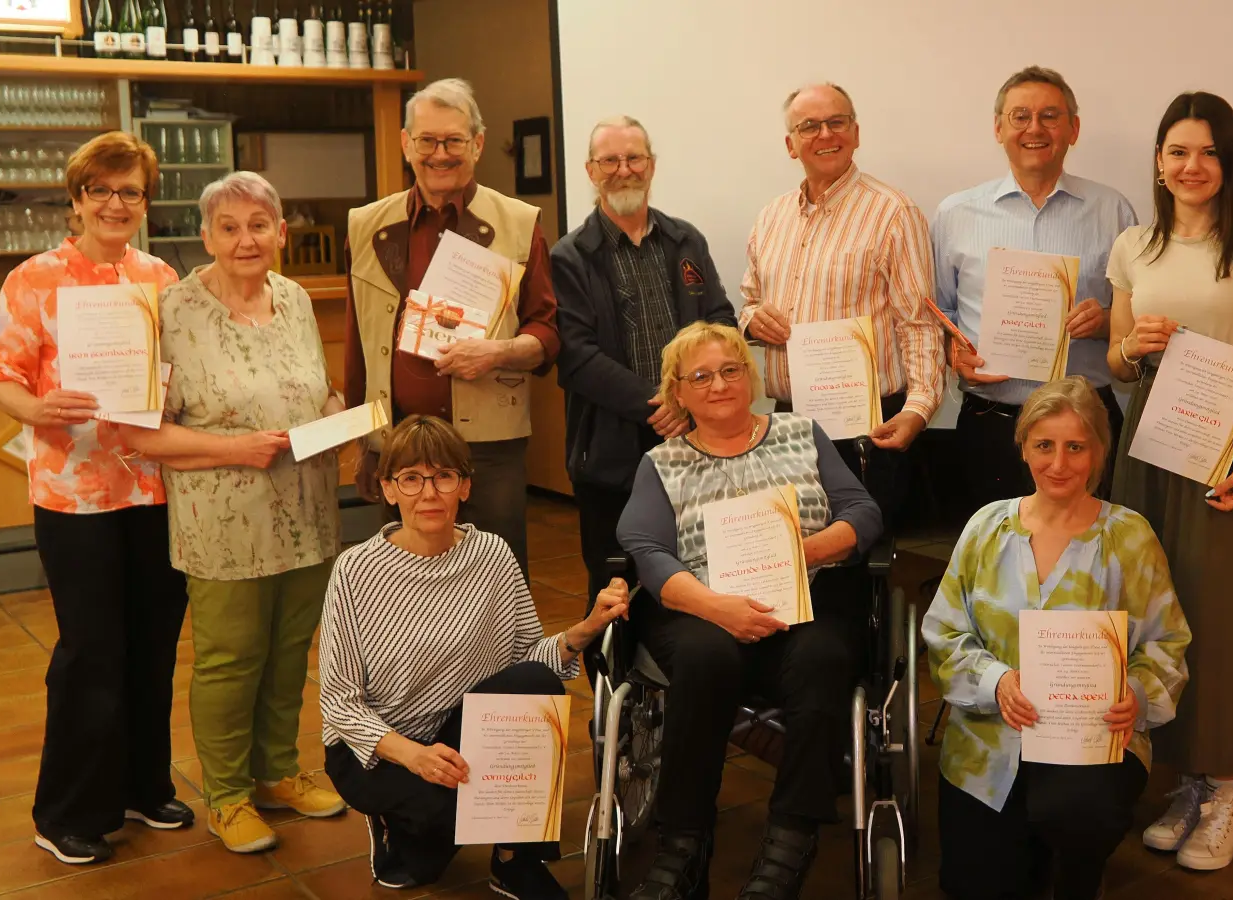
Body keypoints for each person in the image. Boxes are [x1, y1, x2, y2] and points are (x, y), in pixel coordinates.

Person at [0, 132, 194, 865]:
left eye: (130, 191)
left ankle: (142, 784)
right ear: (76, 199)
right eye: (101, 189)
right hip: (74, 496)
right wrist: (37, 408)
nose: (115, 203)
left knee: (154, 643)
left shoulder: (160, 275)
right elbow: (0, 374)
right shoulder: (34, 279)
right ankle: (66, 811)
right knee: (91, 651)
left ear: (145, 202)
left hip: (153, 485)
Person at [1105, 91, 1233, 871]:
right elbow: (1119, 362)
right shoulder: (1134, 245)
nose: (1193, 166)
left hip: (1231, 444)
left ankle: (1227, 791)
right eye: (1178, 151)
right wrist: (1134, 345)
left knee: (1224, 613)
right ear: (1159, 162)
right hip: (1151, 443)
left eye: (1210, 152)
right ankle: (1187, 780)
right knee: (1157, 607)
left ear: (1231, 161)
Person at [120, 172, 348, 853]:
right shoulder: (170, 310)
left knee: (289, 653)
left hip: (308, 514)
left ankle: (276, 773)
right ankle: (227, 797)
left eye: (258, 225)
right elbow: (141, 435)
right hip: (222, 525)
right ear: (206, 237)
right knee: (230, 659)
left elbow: (317, 390)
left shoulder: (297, 298)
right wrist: (235, 449)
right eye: (229, 227)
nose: (245, 239)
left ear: (281, 233)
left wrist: (339, 415)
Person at [616, 322, 883, 900]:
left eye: (730, 370)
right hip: (701, 609)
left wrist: (805, 550)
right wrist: (718, 607)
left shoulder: (801, 432)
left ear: (750, 375)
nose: (718, 385)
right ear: (678, 392)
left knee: (822, 658)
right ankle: (682, 847)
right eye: (700, 376)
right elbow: (647, 551)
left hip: (804, 598)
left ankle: (789, 844)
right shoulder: (662, 462)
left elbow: (862, 512)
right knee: (704, 657)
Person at [319, 414, 628, 897]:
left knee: (536, 685)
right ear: (388, 489)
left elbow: (528, 657)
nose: (429, 493)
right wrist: (415, 756)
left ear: (464, 486)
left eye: (444, 476)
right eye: (411, 478)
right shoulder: (355, 570)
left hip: (462, 730)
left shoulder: (492, 555)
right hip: (381, 748)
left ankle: (514, 859)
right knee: (429, 848)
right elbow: (339, 702)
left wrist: (585, 629)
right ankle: (396, 823)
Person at [923, 377, 1189, 900]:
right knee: (975, 885)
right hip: (988, 744)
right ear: (1023, 447)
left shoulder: (1129, 537)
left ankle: (1077, 870)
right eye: (1044, 445)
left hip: (1092, 739)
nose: (1059, 464)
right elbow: (945, 631)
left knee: (1074, 818)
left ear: (1099, 453)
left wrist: (1135, 694)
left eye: (1076, 447)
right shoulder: (986, 529)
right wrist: (997, 682)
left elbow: (1167, 642)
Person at [345, 77, 559, 575]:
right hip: (397, 445)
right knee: (403, 581)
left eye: (454, 141)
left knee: (496, 580)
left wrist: (498, 352)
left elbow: (548, 332)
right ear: (406, 144)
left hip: (488, 449)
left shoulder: (519, 222)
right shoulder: (366, 225)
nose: (440, 154)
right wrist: (365, 443)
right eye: (427, 141)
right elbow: (359, 346)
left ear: (477, 144)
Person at [553, 115, 736, 672]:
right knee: (613, 587)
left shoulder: (685, 241)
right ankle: (612, 701)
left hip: (698, 449)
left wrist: (693, 398)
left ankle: (688, 683)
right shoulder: (570, 257)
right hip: (611, 457)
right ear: (591, 171)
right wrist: (662, 404)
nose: (623, 169)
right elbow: (577, 356)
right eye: (609, 160)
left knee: (698, 571)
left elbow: (720, 320)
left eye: (634, 158)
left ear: (652, 165)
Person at [739, 82, 944, 529]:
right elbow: (750, 302)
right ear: (791, 144)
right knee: (795, 549)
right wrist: (752, 322)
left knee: (860, 554)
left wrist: (917, 408)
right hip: (789, 424)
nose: (826, 134)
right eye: (809, 126)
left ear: (855, 133)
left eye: (837, 122)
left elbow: (919, 323)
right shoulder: (771, 217)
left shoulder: (893, 212)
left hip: (867, 426)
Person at [933, 66, 1138, 511]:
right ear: (998, 128)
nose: (1034, 129)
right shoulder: (955, 214)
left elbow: (1135, 319)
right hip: (991, 423)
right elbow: (939, 314)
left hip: (1086, 423)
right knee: (993, 548)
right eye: (1020, 116)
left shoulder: (1114, 212)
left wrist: (1105, 321)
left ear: (1073, 129)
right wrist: (953, 353)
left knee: (1092, 550)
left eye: (1049, 116)